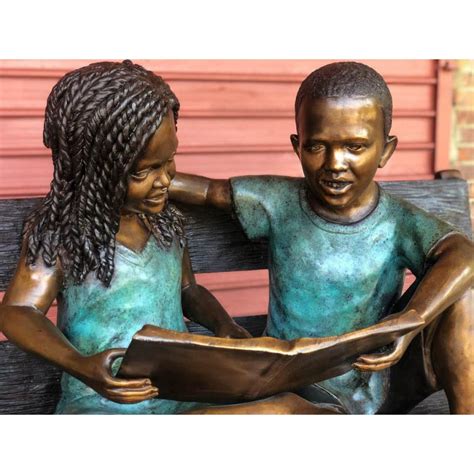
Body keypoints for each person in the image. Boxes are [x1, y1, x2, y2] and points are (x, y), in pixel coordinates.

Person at [170, 62, 474, 414]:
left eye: (355, 146)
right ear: (297, 146)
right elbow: (210, 192)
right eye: (317, 146)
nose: (335, 163)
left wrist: (410, 322)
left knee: (463, 295)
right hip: (295, 389)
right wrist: (137, 175)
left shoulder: (397, 221)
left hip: (378, 384)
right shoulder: (279, 200)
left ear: (386, 151)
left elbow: (461, 252)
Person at [0, 60, 255, 414]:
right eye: (145, 170)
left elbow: (187, 290)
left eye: (169, 161)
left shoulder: (166, 223)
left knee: (295, 409)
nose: (166, 181)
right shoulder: (64, 234)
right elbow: (19, 311)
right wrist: (82, 366)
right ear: (95, 170)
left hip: (178, 394)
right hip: (103, 404)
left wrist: (223, 325)